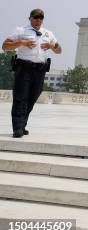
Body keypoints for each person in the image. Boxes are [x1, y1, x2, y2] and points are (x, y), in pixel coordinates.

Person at [2, 9, 62, 138]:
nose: (38, 20)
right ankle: (17, 128)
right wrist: (21, 43)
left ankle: (22, 124)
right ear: (30, 18)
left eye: (41, 17)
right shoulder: (21, 31)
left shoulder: (48, 33)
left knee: (32, 98)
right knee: (20, 98)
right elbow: (5, 46)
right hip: (24, 69)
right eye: (35, 17)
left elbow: (59, 50)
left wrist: (52, 46)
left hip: (39, 70)